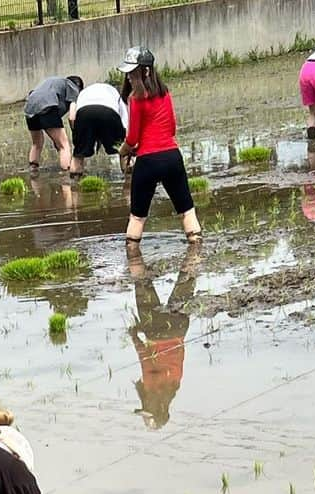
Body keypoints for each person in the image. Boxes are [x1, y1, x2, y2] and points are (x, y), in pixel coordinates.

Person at [117, 46, 201, 245]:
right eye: (128, 73)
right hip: (172, 157)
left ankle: (135, 268)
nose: (129, 77)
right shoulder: (165, 93)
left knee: (137, 217)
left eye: (132, 72)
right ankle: (196, 256)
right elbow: (171, 127)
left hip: (147, 162)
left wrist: (123, 151)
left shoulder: (135, 99)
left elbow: (133, 138)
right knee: (186, 210)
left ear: (145, 71)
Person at [127, 247, 200, 428]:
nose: (144, 403)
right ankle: (134, 255)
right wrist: (134, 336)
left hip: (179, 329)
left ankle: (196, 250)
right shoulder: (153, 386)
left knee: (186, 281)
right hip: (155, 330)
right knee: (141, 284)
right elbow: (145, 357)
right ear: (159, 407)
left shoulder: (175, 384)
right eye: (147, 407)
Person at [69, 80, 130, 177]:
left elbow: (71, 117)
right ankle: (129, 181)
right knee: (123, 151)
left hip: (84, 113)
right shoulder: (114, 92)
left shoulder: (83, 92)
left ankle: (74, 183)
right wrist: (126, 143)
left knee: (78, 154)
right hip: (109, 112)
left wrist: (78, 137)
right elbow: (125, 122)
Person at [24, 75, 84, 171]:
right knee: (64, 145)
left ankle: (33, 169)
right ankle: (66, 174)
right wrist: (75, 132)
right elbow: (72, 117)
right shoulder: (73, 87)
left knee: (37, 143)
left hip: (30, 107)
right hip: (47, 105)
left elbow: (52, 123)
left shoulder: (56, 83)